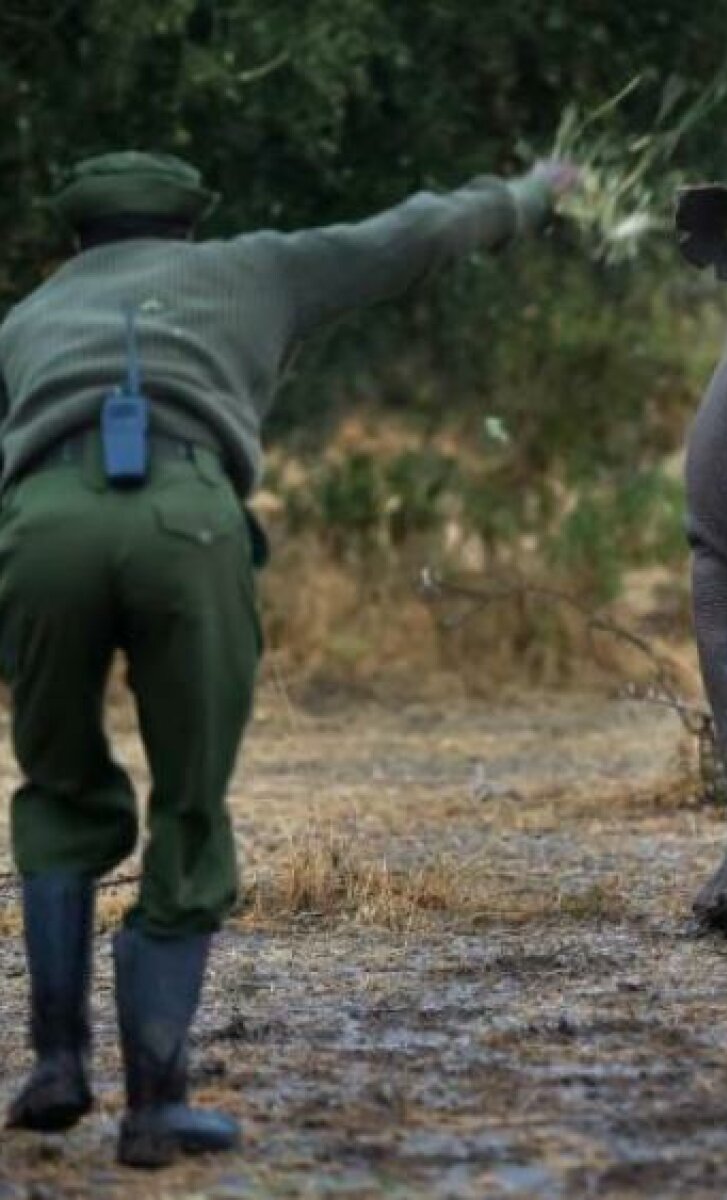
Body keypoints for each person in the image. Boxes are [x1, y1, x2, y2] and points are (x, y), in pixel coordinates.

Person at [0, 149, 578, 1168]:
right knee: (189, 802)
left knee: (55, 782)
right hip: (189, 522)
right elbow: (411, 235)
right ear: (187, 225)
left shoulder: (29, 316)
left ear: (77, 235)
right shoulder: (256, 265)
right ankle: (153, 1107)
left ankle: (54, 1062)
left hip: (41, 527)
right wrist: (528, 196)